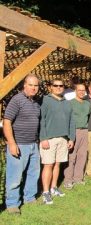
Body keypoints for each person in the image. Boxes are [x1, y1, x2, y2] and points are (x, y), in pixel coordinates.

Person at [3, 75, 41, 214]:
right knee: (15, 176)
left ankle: (29, 198)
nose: (33, 88)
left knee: (33, 173)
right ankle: (12, 204)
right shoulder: (17, 100)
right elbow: (7, 121)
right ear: (24, 85)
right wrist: (12, 143)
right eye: (31, 85)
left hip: (33, 144)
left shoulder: (36, 103)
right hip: (19, 144)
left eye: (36, 85)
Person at [40, 79, 75, 204]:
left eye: (61, 86)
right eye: (56, 85)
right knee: (48, 165)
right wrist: (43, 138)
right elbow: (41, 120)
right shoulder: (45, 100)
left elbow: (72, 121)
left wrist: (71, 138)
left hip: (63, 138)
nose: (59, 87)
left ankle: (54, 187)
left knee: (57, 164)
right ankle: (45, 192)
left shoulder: (67, 102)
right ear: (51, 87)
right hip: (49, 139)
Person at [64, 84, 91, 187]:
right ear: (75, 91)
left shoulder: (87, 104)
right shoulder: (70, 103)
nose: (81, 92)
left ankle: (78, 178)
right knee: (71, 156)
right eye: (79, 90)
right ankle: (68, 180)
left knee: (82, 155)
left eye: (83, 90)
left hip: (84, 130)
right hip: (73, 131)